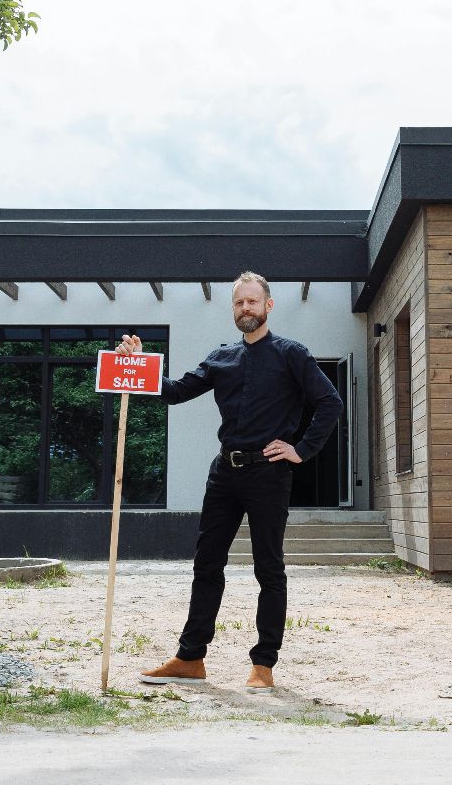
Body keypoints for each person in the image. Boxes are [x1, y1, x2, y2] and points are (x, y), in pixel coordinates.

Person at [119, 271, 341, 691]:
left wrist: (302, 449)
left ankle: (263, 664)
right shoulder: (221, 357)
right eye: (239, 303)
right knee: (206, 565)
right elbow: (175, 391)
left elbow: (330, 401)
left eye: (253, 302)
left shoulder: (292, 354)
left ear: (268, 305)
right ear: (233, 309)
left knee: (268, 569)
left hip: (268, 474)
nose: (246, 309)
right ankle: (190, 658)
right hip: (224, 472)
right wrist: (136, 362)